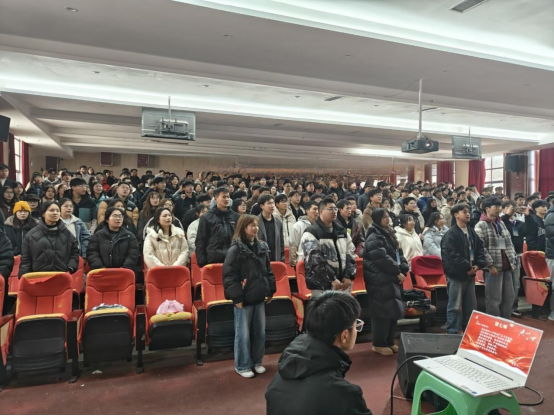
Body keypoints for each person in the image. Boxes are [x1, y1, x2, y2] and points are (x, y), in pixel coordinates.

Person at [266, 291, 371, 415]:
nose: (357, 329)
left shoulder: (282, 373)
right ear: (344, 335)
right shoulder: (345, 395)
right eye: (356, 325)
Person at [223, 215, 276, 379]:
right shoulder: (236, 249)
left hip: (259, 295)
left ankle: (257, 362)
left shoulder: (262, 246)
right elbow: (229, 275)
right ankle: (243, 365)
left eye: (256, 225)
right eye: (252, 225)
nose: (255, 228)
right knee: (243, 335)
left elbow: (268, 271)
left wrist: (270, 290)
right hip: (243, 298)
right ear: (243, 227)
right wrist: (236, 297)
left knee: (259, 333)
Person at [363, 208, 409, 356]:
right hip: (379, 278)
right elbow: (381, 258)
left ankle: (389, 341)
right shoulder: (374, 236)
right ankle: (378, 344)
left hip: (391, 276)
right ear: (377, 219)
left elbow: (399, 253)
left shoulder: (389, 233)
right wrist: (397, 271)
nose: (387, 219)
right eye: (384, 217)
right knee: (381, 312)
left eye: (388, 216)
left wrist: (403, 269)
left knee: (392, 309)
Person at [441, 204, 489, 334]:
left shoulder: (471, 232)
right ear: (456, 215)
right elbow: (451, 256)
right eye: (464, 212)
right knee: (455, 306)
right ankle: (453, 332)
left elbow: (480, 250)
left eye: (469, 212)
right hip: (457, 275)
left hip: (471, 274)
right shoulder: (450, 234)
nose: (468, 214)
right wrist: (467, 267)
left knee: (471, 306)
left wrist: (478, 265)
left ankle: (469, 332)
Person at [297, 198, 356, 297]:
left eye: (335, 209)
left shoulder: (341, 231)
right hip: (321, 284)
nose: (334, 211)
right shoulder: (311, 232)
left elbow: (350, 253)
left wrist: (349, 276)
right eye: (330, 209)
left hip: (343, 283)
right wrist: (332, 278)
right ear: (321, 211)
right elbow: (314, 260)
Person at [475, 198, 518, 319]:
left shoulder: (500, 223)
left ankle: (505, 322)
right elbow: (480, 248)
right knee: (494, 299)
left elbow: (509, 243)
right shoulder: (481, 225)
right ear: (487, 209)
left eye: (499, 207)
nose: (499, 209)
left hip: (506, 265)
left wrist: (512, 261)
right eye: (496, 207)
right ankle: (494, 324)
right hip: (494, 267)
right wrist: (490, 265)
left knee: (509, 297)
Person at [19, 201, 80, 278]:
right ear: (43, 214)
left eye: (58, 211)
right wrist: (24, 276)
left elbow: (74, 252)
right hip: (38, 277)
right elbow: (26, 258)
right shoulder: (31, 235)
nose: (55, 213)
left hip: (61, 277)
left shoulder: (67, 234)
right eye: (51, 210)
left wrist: (71, 267)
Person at [196, 187, 240, 268]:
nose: (227, 199)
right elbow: (201, 241)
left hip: (233, 258)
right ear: (216, 199)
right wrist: (202, 263)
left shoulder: (236, 216)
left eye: (228, 197)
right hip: (213, 259)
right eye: (224, 197)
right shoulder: (206, 217)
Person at [501, 200, 526, 318]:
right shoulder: (500, 220)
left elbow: (527, 232)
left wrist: (527, 216)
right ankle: (503, 309)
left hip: (517, 255)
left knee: (516, 284)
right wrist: (506, 215)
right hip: (504, 256)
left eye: (513, 207)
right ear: (503, 209)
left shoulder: (518, 222)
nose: (512, 209)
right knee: (504, 285)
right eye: (509, 207)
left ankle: (513, 308)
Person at [289, 201, 318, 268]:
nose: (317, 212)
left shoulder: (320, 225)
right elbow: (293, 245)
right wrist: (294, 263)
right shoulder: (297, 226)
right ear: (307, 211)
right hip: (302, 261)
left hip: (317, 262)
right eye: (314, 209)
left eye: (318, 209)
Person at [257, 195, 285, 263]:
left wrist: (282, 259)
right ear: (262, 206)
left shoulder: (278, 222)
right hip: (260, 258)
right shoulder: (256, 221)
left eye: (273, 203)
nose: (272, 206)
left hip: (275, 257)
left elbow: (281, 243)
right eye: (269, 203)